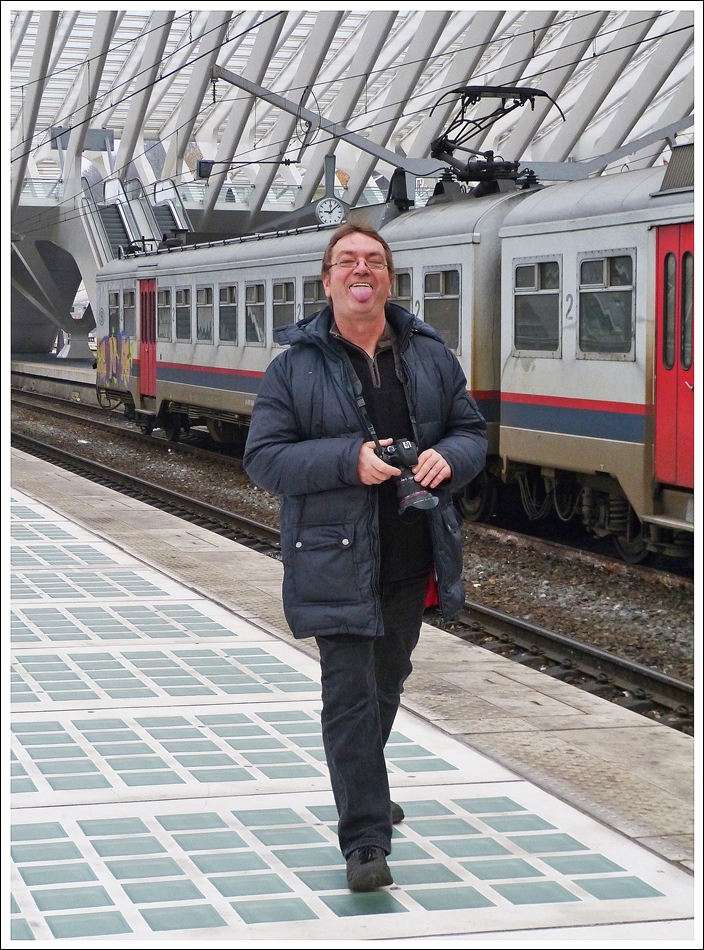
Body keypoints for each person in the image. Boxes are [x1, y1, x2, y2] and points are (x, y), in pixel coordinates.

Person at [244, 223, 487, 891]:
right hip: (334, 560)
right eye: (347, 261)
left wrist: (450, 457)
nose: (362, 270)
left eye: (374, 261)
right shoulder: (294, 368)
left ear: (388, 278)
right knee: (350, 696)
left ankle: (365, 788)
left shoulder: (430, 356)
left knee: (386, 684)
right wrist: (349, 461)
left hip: (413, 553)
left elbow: (471, 431)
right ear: (327, 281)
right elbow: (263, 459)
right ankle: (365, 841)